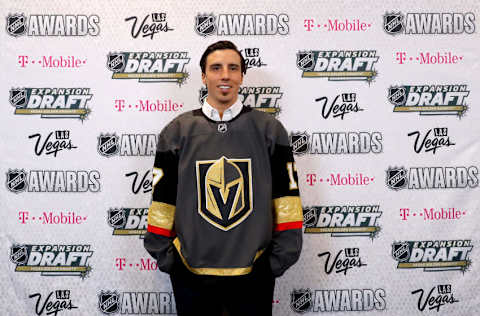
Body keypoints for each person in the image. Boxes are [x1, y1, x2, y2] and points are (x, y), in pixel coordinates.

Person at [144, 40, 303, 316]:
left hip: (254, 274)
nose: (225, 75)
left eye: (233, 68)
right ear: (204, 76)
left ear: (242, 75)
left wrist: (275, 262)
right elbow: (162, 202)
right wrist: (171, 260)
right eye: (216, 68)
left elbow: (286, 200)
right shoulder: (177, 132)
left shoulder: (269, 130)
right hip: (191, 275)